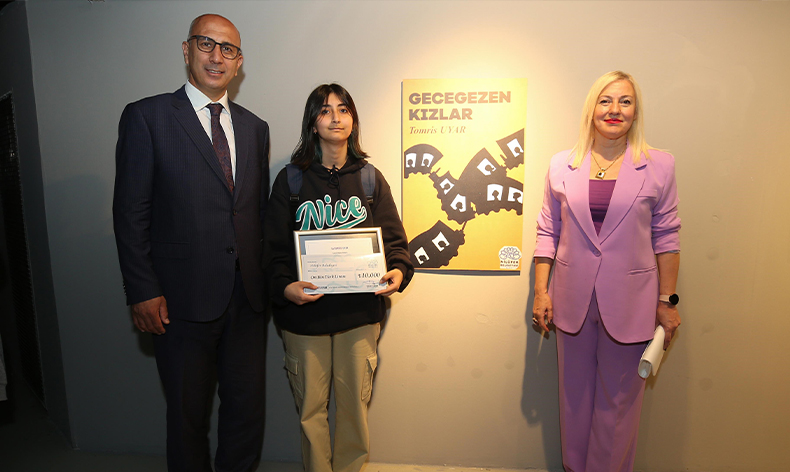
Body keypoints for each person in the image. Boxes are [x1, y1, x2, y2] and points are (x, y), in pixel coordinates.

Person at [112, 14, 269, 472]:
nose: (217, 57)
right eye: (206, 44)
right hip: (179, 301)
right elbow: (130, 212)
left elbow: (254, 213)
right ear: (186, 50)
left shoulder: (255, 128)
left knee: (246, 413)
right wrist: (142, 289)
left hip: (247, 299)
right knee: (187, 417)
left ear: (239, 63)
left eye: (228, 49)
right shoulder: (147, 117)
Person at [531, 70, 681, 472]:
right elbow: (548, 231)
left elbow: (667, 237)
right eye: (606, 100)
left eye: (625, 101)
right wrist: (541, 292)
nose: (615, 109)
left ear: (636, 111)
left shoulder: (660, 166)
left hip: (632, 303)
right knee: (573, 401)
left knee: (618, 408)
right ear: (591, 109)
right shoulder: (561, 165)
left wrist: (667, 302)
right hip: (570, 302)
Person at [264, 83, 414, 472]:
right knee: (310, 412)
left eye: (343, 109)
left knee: (354, 410)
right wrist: (285, 288)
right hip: (304, 318)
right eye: (325, 110)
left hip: (359, 316)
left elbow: (397, 244)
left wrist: (398, 271)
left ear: (353, 121)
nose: (335, 117)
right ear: (312, 123)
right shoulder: (291, 181)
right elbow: (272, 251)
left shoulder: (370, 179)